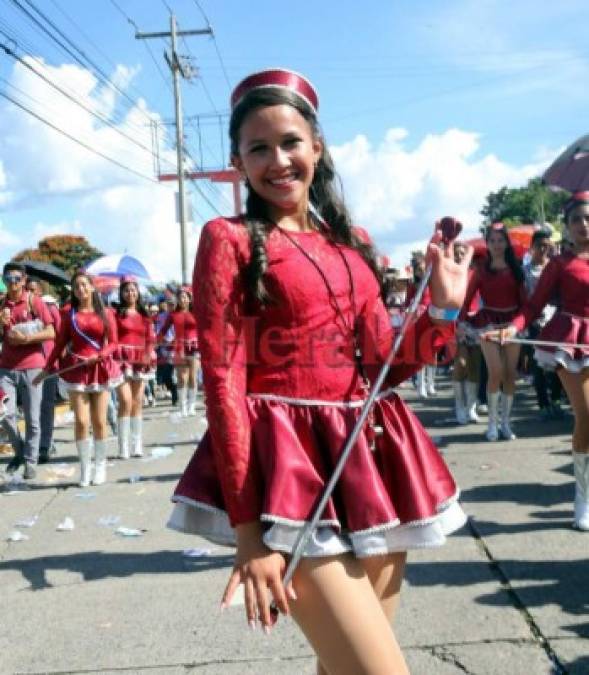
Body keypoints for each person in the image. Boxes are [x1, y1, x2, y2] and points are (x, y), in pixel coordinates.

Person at [167, 68, 473, 675]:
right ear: (238, 160)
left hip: (367, 464)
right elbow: (224, 384)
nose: (277, 161)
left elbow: (386, 367)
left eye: (290, 142)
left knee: (343, 669)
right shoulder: (227, 238)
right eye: (258, 148)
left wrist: (441, 307)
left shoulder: (351, 242)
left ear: (317, 146)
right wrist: (249, 535)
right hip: (286, 471)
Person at [490, 192, 589, 530]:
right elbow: (533, 306)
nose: (583, 225)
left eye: (588, 218)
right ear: (568, 224)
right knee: (586, 414)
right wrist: (513, 328)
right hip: (571, 342)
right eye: (576, 219)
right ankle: (583, 497)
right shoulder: (560, 264)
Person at [34, 272, 122, 486]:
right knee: (82, 421)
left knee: (99, 421)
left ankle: (100, 465)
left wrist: (100, 355)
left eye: (84, 285)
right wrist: (46, 369)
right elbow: (60, 343)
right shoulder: (69, 314)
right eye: (77, 287)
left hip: (100, 370)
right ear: (73, 291)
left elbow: (114, 343)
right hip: (77, 371)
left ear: (92, 287)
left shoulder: (106, 313)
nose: (81, 290)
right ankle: (85, 468)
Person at [460, 223, 526, 441]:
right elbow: (466, 299)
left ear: (507, 242)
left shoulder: (517, 269)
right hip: (487, 323)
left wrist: (520, 323)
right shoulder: (480, 271)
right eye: (492, 241)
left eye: (500, 240)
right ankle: (492, 424)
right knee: (495, 371)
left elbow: (524, 302)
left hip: (511, 324)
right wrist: (461, 323)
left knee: (510, 373)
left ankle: (505, 423)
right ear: (487, 244)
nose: (497, 245)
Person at [0, 262, 55, 479]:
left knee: (33, 417)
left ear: (23, 280)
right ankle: (20, 451)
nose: (12, 283)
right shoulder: (1, 304)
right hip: (6, 367)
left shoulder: (35, 301)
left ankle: (30, 461)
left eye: (16, 278)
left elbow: (51, 332)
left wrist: (28, 338)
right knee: (5, 414)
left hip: (33, 366)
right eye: (7, 279)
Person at [522, 230, 563, 420]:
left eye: (547, 245)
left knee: (558, 362)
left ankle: (556, 400)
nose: (544, 249)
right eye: (540, 246)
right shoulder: (525, 272)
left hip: (556, 320)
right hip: (535, 322)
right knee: (538, 363)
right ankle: (543, 403)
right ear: (532, 248)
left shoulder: (557, 268)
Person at [114, 277, 155, 458]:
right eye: (126, 290)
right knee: (125, 400)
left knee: (137, 401)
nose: (130, 293)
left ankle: (136, 444)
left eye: (133, 290)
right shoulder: (116, 314)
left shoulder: (145, 315)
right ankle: (123, 446)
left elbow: (151, 339)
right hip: (121, 360)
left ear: (138, 293)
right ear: (121, 294)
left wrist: (147, 355)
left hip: (140, 360)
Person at [157, 287, 199, 416]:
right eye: (180, 297)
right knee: (181, 377)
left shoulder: (196, 312)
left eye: (185, 297)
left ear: (189, 299)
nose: (183, 299)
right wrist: (157, 341)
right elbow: (163, 330)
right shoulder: (173, 315)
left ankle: (192, 405)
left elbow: (205, 328)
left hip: (194, 347)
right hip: (179, 347)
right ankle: (183, 406)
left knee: (193, 377)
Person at [453, 241, 481, 424]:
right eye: (457, 253)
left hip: (477, 323)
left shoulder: (476, 274)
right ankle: (459, 405)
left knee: (475, 367)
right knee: (461, 364)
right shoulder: (449, 275)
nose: (460, 256)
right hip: (455, 324)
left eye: (463, 253)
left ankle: (471, 406)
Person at [406, 251, 436, 397]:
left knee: (432, 354)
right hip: (417, 319)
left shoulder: (433, 282)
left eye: (423, 268)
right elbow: (407, 303)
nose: (421, 272)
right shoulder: (412, 284)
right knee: (421, 354)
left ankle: (431, 383)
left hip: (431, 318)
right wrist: (411, 311)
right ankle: (421, 385)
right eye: (418, 269)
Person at [38, 294, 62, 463]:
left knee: (46, 405)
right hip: (26, 366)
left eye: (34, 289)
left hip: (49, 364)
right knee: (32, 408)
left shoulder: (50, 309)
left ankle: (45, 445)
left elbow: (60, 334)